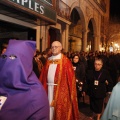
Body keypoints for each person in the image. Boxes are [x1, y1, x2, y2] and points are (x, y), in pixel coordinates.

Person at [0, 40, 49, 120]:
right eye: (4, 57)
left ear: (24, 62)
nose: (7, 61)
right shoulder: (2, 83)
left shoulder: (36, 96)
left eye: (13, 57)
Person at [40, 41, 79, 120]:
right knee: (48, 109)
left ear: (61, 48)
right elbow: (43, 76)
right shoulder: (48, 60)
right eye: (52, 47)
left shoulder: (65, 61)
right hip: (48, 89)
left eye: (56, 47)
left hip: (60, 90)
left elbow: (71, 79)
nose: (54, 48)